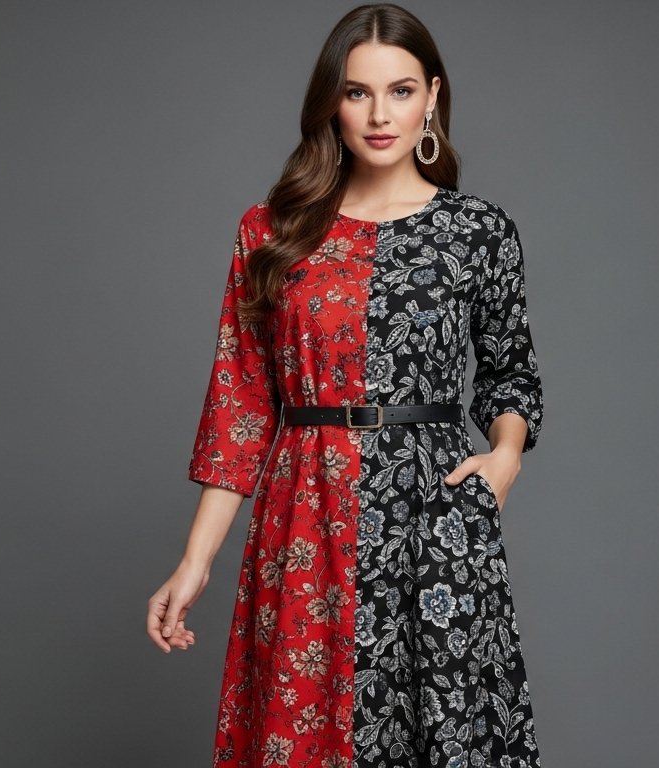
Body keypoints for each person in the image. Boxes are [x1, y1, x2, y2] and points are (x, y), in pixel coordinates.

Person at [147, 4, 545, 765]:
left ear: (432, 95)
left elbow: (510, 374)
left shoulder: (478, 231)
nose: (379, 114)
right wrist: (194, 562)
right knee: (306, 728)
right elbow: (240, 405)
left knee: (446, 732)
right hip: (307, 510)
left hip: (436, 513)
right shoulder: (272, 230)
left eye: (400, 91)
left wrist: (504, 458)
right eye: (358, 92)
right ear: (332, 102)